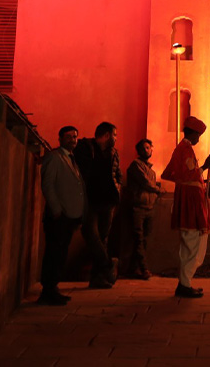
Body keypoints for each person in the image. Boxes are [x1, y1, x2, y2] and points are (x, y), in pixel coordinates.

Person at [161, 116, 210, 298]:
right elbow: (187, 175)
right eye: (198, 135)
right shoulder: (183, 149)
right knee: (191, 244)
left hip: (193, 201)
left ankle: (186, 282)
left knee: (193, 244)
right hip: (189, 202)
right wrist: (204, 167)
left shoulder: (186, 149)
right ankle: (184, 284)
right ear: (191, 133)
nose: (199, 138)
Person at [38, 125, 85, 305]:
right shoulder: (54, 157)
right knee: (54, 252)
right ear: (60, 138)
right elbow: (48, 184)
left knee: (60, 253)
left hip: (68, 215)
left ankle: (53, 287)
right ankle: (48, 289)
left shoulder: (72, 159)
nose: (72, 140)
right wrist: (56, 210)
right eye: (68, 137)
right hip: (58, 216)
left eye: (74, 137)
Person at [74, 122, 122, 288]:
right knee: (90, 234)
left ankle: (97, 278)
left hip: (108, 202)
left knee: (102, 238)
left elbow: (118, 175)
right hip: (90, 201)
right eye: (115, 135)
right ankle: (108, 263)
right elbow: (80, 173)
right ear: (107, 135)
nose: (116, 138)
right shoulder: (85, 148)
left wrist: (117, 189)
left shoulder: (114, 153)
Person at [126, 137, 162, 279]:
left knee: (143, 239)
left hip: (149, 208)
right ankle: (143, 269)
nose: (146, 150)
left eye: (148, 147)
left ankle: (135, 269)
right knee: (139, 238)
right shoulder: (136, 165)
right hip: (138, 208)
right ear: (138, 151)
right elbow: (146, 183)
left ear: (152, 149)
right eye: (143, 148)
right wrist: (158, 190)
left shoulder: (151, 170)